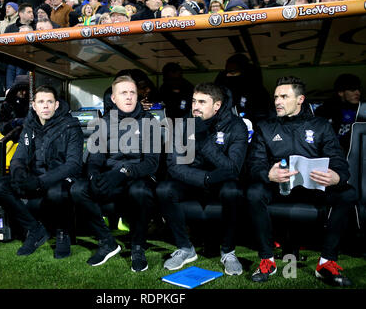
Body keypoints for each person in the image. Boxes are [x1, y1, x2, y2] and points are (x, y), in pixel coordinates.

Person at [246, 76, 356, 286]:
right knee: (253, 192)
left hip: (313, 187)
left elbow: (339, 161)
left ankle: (326, 262)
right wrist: (268, 174)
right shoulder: (265, 127)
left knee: (348, 192)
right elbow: (254, 164)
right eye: (276, 96)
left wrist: (337, 176)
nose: (277, 101)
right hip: (279, 187)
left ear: (300, 99)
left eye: (284, 96)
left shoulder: (320, 125)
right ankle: (267, 259)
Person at [70, 75, 160, 272]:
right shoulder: (104, 122)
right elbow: (95, 157)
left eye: (132, 93)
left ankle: (138, 246)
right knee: (78, 189)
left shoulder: (149, 121)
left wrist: (123, 172)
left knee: (140, 191)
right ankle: (107, 242)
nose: (128, 97)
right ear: (113, 98)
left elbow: (152, 163)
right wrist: (93, 175)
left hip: (137, 178)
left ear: (137, 96)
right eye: (123, 93)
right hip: (110, 177)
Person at [157, 82, 248, 273]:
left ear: (217, 105)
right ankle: (185, 248)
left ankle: (228, 251)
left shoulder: (236, 125)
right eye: (193, 101)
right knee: (164, 189)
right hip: (194, 181)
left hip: (222, 184)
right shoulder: (182, 124)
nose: (195, 106)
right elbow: (174, 165)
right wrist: (205, 178)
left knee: (233, 190)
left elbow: (233, 169)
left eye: (201, 102)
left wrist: (205, 141)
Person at [0, 85, 84, 258]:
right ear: (34, 105)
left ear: (56, 105)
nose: (45, 106)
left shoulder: (71, 125)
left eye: (49, 102)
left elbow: (74, 165)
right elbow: (19, 157)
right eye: (41, 102)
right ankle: (34, 230)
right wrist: (18, 173)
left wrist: (41, 181)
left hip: (60, 180)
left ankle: (63, 234)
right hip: (35, 179)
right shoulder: (30, 124)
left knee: (57, 191)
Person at [214, 53, 272, 126]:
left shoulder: (257, 91)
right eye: (227, 72)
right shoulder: (222, 83)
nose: (228, 75)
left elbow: (261, 116)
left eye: (233, 72)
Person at [315, 73, 363, 156]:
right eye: (352, 90)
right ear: (341, 92)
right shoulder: (325, 110)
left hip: (357, 154)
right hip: (332, 154)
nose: (357, 93)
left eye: (358, 90)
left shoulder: (362, 111)